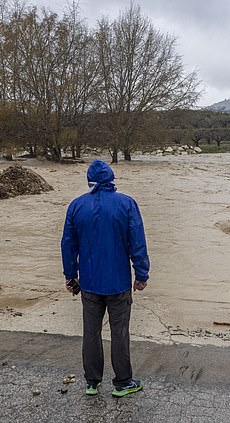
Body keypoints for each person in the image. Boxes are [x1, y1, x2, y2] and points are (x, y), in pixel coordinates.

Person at [61, 160, 150, 397]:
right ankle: (122, 382)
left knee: (91, 332)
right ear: (112, 179)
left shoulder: (76, 206)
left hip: (89, 283)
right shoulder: (127, 204)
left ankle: (92, 382)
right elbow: (137, 243)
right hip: (118, 282)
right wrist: (141, 274)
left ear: (89, 180)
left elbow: (68, 245)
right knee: (120, 332)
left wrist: (71, 276)